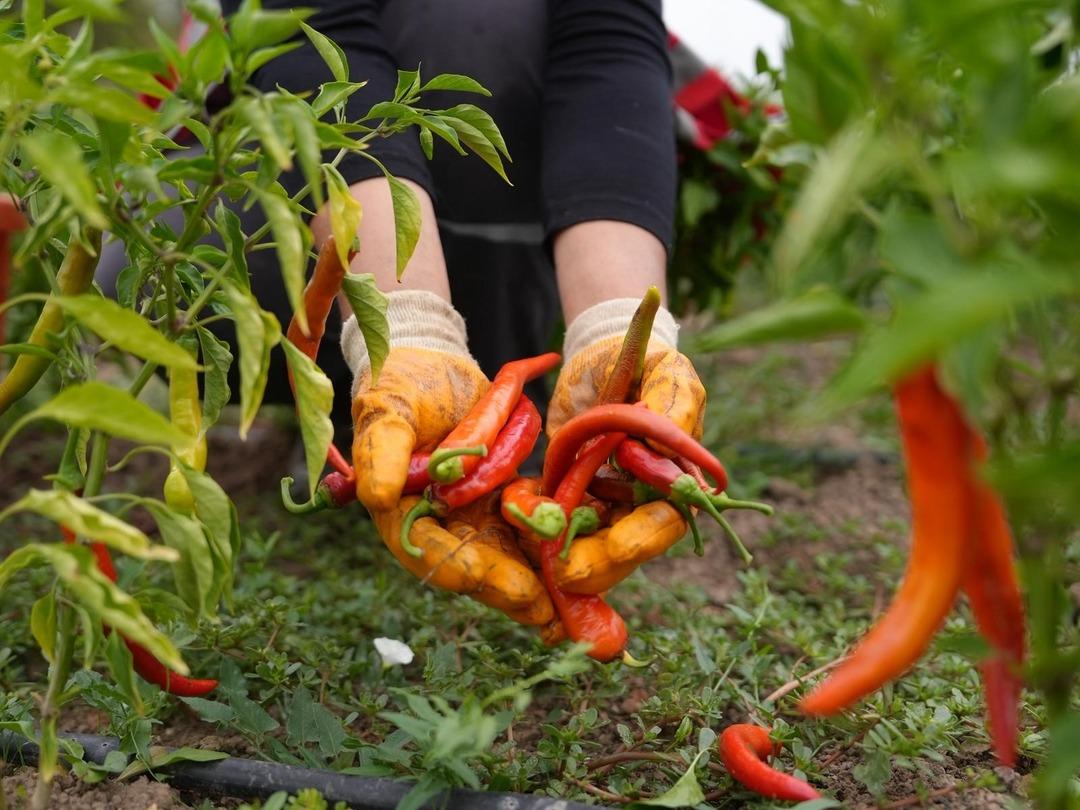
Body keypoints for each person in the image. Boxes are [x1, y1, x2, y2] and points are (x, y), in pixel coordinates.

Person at [217, 0, 710, 636]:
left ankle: (499, 325)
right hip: (310, 185)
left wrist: (615, 326)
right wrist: (405, 330)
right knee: (158, 276)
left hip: (522, 192)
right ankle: (362, 385)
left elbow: (606, 43)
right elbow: (310, 29)